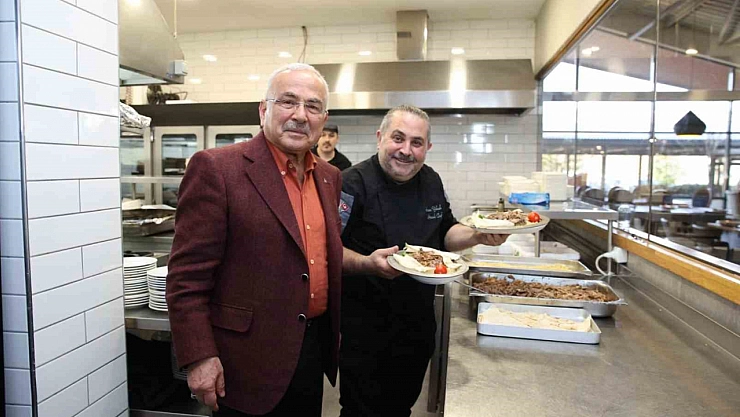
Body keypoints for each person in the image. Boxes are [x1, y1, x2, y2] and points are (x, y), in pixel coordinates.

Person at [166, 63, 344, 417]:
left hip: (309, 351)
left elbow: (318, 257)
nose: (300, 115)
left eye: (312, 106)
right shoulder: (217, 169)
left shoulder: (329, 177)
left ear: (323, 120)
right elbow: (187, 278)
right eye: (288, 102)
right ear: (264, 110)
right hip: (245, 359)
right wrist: (199, 356)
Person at [338, 105, 508, 417]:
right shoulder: (351, 183)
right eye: (398, 138)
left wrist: (478, 235)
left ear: (427, 147)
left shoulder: (431, 180)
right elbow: (326, 250)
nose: (406, 150)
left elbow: (446, 232)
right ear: (380, 137)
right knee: (361, 410)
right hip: (364, 328)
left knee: (401, 408)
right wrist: (366, 263)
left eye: (416, 143)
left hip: (416, 323)